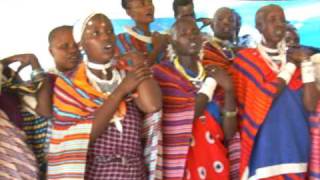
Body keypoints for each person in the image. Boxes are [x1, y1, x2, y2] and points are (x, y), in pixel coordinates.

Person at [48, 13, 162, 180]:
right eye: (96, 33)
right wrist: (120, 91)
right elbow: (82, 136)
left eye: (109, 31)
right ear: (81, 44)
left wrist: (138, 63)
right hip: (99, 173)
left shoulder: (125, 74)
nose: (106, 37)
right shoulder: (69, 84)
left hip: (135, 172)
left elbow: (152, 105)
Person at [231, 4, 317, 179]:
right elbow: (265, 96)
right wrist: (292, 65)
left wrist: (306, 63)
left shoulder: (297, 59)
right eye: (273, 20)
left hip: (295, 148)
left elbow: (310, 105)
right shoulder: (246, 60)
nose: (279, 24)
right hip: (261, 150)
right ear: (259, 26)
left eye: (282, 20)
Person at [153, 17, 237, 180]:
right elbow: (191, 113)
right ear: (173, 41)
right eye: (183, 34)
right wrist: (210, 84)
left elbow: (229, 133)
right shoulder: (162, 74)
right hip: (181, 166)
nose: (191, 36)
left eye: (195, 32)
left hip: (216, 163)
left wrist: (229, 90)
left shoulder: (214, 72)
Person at [117, 0, 168, 66]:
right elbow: (139, 72)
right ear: (129, 12)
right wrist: (157, 48)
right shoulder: (122, 40)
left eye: (150, 2)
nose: (149, 7)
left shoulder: (162, 37)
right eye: (142, 4)